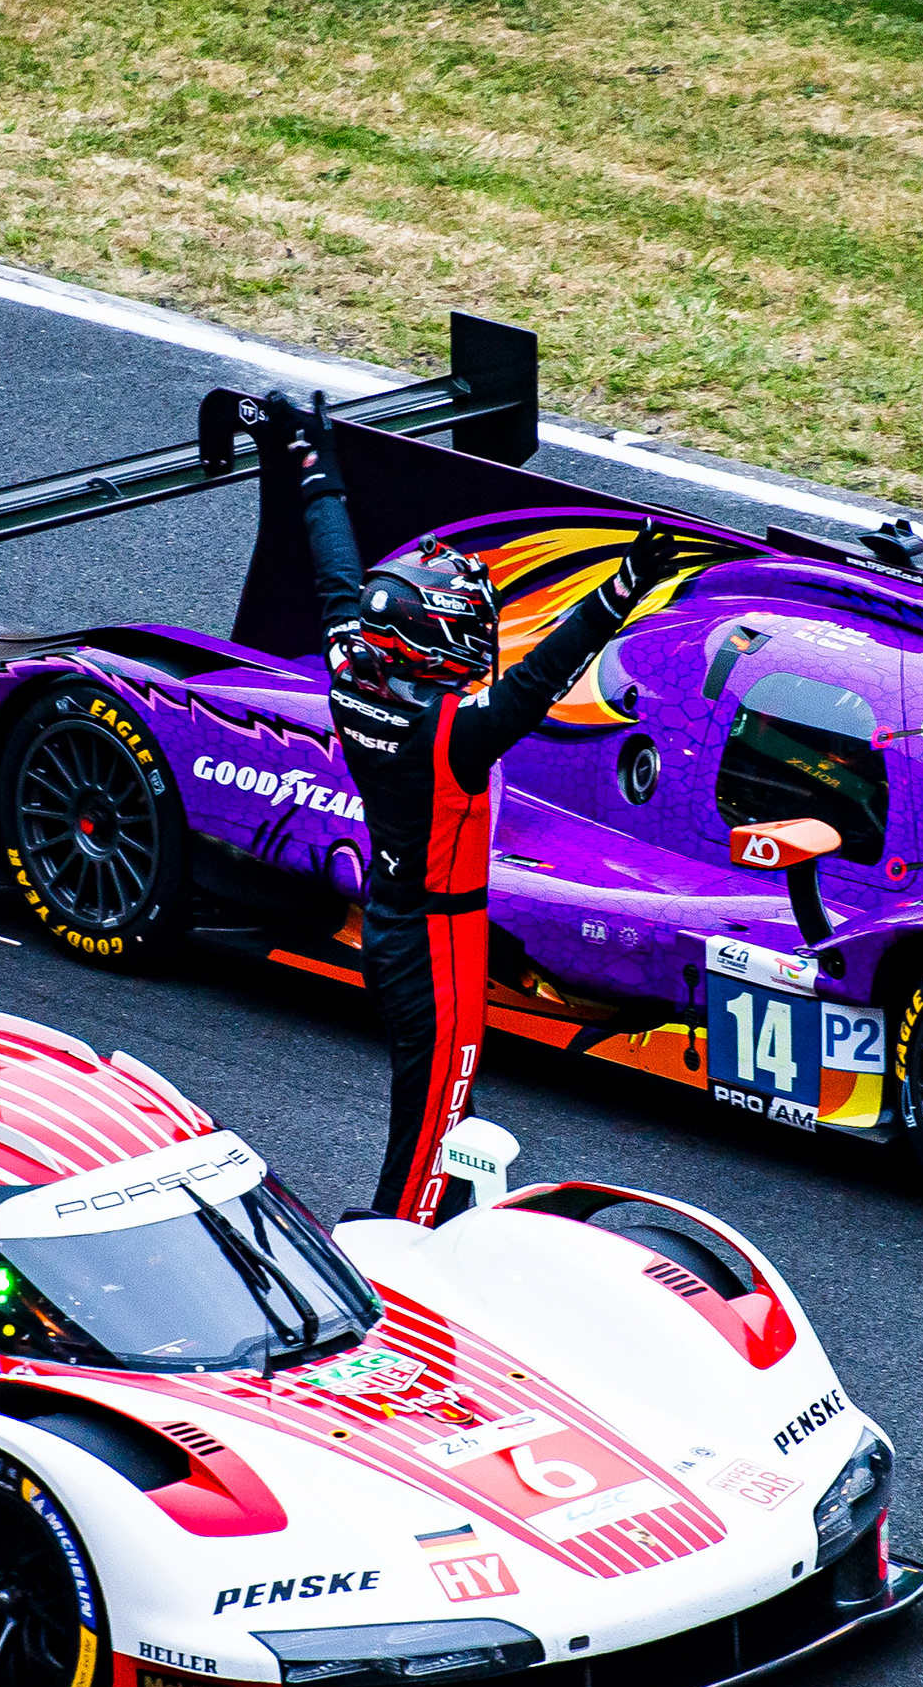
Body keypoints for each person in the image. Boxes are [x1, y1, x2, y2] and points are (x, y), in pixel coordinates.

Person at [261, 395, 692, 1225]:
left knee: (432, 1124)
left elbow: (334, 566)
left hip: (391, 921)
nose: (477, 642)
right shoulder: (450, 735)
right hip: (441, 944)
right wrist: (626, 585)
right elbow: (542, 678)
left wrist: (310, 456)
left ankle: (434, 1222)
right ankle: (388, 1275)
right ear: (428, 644)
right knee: (429, 1137)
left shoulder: (353, 668)